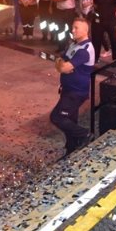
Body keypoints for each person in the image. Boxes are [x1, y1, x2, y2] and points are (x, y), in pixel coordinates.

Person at [50, 17, 94, 156]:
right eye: (73, 27)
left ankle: (85, 134)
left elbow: (63, 67)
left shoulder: (84, 49)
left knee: (57, 117)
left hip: (76, 92)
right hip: (68, 90)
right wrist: (61, 65)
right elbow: (59, 61)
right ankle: (71, 149)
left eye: (76, 28)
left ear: (85, 30)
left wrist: (62, 66)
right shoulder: (74, 45)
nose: (72, 30)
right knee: (70, 120)